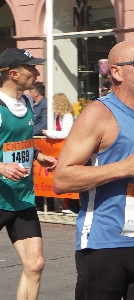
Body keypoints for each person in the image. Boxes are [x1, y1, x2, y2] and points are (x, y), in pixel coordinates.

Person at [52, 41, 134, 300]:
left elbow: (128, 182)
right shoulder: (97, 114)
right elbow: (62, 179)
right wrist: (123, 167)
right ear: (117, 72)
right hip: (104, 246)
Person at [0, 47, 57, 300]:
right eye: (31, 68)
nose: (37, 72)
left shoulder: (26, 102)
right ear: (13, 74)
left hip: (21, 198)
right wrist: (1, 167)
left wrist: (37, 156)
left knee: (35, 264)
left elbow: (18, 142)